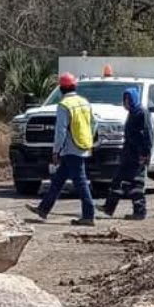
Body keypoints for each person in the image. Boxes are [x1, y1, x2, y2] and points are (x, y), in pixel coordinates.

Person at [28, 72, 97, 225]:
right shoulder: (84, 102)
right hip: (82, 146)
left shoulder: (64, 105)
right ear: (74, 86)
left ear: (61, 88)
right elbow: (94, 123)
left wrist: (55, 151)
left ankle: (89, 215)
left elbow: (60, 131)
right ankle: (43, 209)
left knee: (81, 182)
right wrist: (88, 138)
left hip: (71, 149)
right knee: (58, 180)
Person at [103, 86, 153, 220]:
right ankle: (108, 207)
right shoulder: (132, 113)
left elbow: (147, 135)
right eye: (124, 100)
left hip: (138, 155)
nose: (125, 103)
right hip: (128, 153)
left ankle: (140, 211)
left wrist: (145, 154)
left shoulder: (141, 113)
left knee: (136, 184)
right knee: (118, 181)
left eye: (128, 100)